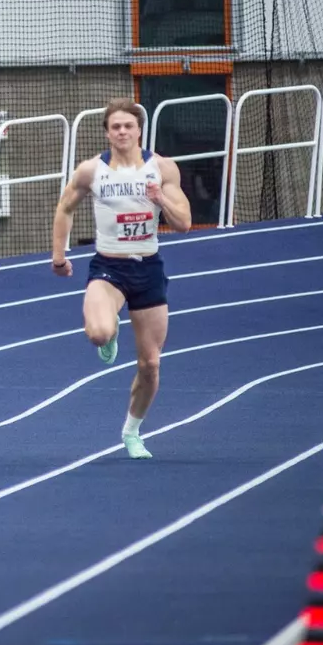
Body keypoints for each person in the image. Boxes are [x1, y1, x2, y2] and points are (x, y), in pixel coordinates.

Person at [51, 98, 192, 460]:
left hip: (148, 267)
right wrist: (59, 256)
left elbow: (184, 223)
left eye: (128, 125)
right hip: (109, 267)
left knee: (150, 364)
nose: (122, 132)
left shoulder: (162, 168)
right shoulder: (91, 170)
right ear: (107, 132)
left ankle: (131, 431)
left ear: (139, 130)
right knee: (99, 332)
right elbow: (65, 206)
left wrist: (160, 199)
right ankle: (110, 331)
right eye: (116, 126)